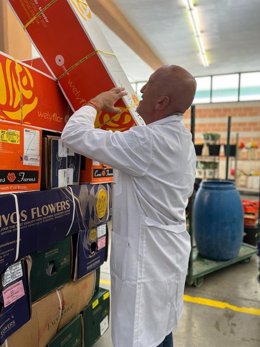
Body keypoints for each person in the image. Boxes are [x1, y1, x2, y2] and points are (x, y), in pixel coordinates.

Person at [61, 65, 197, 347]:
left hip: (147, 259)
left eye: (148, 85)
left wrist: (95, 104)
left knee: (141, 336)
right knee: (159, 328)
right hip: (167, 254)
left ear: (162, 102)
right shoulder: (180, 138)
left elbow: (73, 134)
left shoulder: (148, 142)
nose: (142, 91)